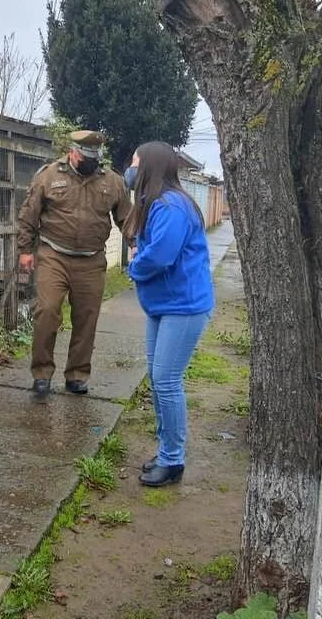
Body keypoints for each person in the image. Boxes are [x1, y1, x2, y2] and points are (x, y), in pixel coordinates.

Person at [123, 141, 215, 487]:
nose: (130, 169)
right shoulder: (153, 202)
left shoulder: (172, 206)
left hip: (183, 306)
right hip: (163, 306)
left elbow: (160, 256)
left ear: (149, 166)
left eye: (134, 162)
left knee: (166, 380)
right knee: (158, 377)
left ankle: (173, 460)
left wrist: (134, 268)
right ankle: (166, 450)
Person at [17, 130, 132, 398]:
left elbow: (126, 218)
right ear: (73, 152)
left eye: (94, 157)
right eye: (85, 157)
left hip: (91, 260)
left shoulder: (112, 181)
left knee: (86, 318)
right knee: (47, 311)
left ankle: (77, 375)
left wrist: (136, 243)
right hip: (53, 255)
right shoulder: (49, 176)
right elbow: (29, 213)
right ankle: (42, 373)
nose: (90, 161)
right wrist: (25, 249)